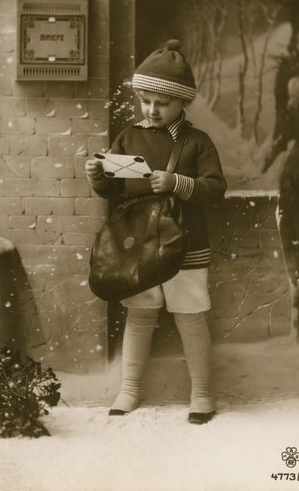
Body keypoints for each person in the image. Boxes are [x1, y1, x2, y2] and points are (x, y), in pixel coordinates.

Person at [85, 39, 227, 424]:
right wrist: (98, 177)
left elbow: (216, 190)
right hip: (138, 245)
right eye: (146, 100)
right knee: (140, 315)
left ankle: (202, 395)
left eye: (161, 103)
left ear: (183, 103)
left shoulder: (198, 143)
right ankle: (129, 389)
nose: (151, 109)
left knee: (190, 316)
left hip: (187, 246)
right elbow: (114, 192)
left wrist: (178, 183)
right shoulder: (130, 138)